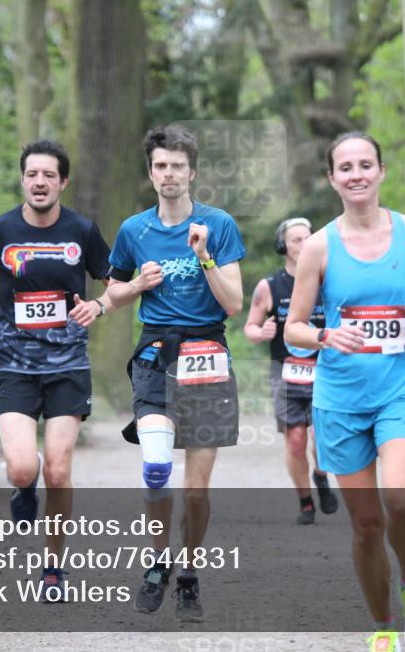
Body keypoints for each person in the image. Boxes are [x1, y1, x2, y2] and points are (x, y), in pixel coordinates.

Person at [284, 132, 405, 652]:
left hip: (400, 392)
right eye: (345, 167)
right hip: (340, 401)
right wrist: (325, 334)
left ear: (382, 171)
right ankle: (384, 624)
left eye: (365, 164)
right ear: (332, 179)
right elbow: (293, 328)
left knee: (402, 501)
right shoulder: (319, 246)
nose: (357, 174)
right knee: (367, 525)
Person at [0, 139, 116, 602]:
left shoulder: (82, 231)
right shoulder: (1, 228)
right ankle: (22, 489)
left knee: (60, 469)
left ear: (62, 182)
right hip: (14, 363)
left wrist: (99, 306)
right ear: (23, 179)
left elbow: (117, 284)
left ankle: (53, 567)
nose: (40, 182)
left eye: (50, 175)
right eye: (33, 174)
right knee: (24, 468)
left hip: (68, 363)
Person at [106, 124, 245, 623]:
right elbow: (112, 295)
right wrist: (136, 284)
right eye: (161, 166)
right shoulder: (133, 231)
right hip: (155, 355)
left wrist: (203, 254)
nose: (169, 174)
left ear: (192, 172)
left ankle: (188, 572)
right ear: (151, 173)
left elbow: (233, 303)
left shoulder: (219, 224)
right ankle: (157, 561)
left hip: (207, 351)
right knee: (158, 467)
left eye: (178, 166)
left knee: (196, 490)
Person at [243, 217, 338, 525]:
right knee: (296, 440)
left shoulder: (331, 280)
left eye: (307, 238)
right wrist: (261, 334)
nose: (302, 244)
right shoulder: (269, 287)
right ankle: (306, 501)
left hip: (324, 372)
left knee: (321, 438)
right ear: (283, 245)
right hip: (285, 374)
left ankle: (321, 476)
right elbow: (250, 328)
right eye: (295, 239)